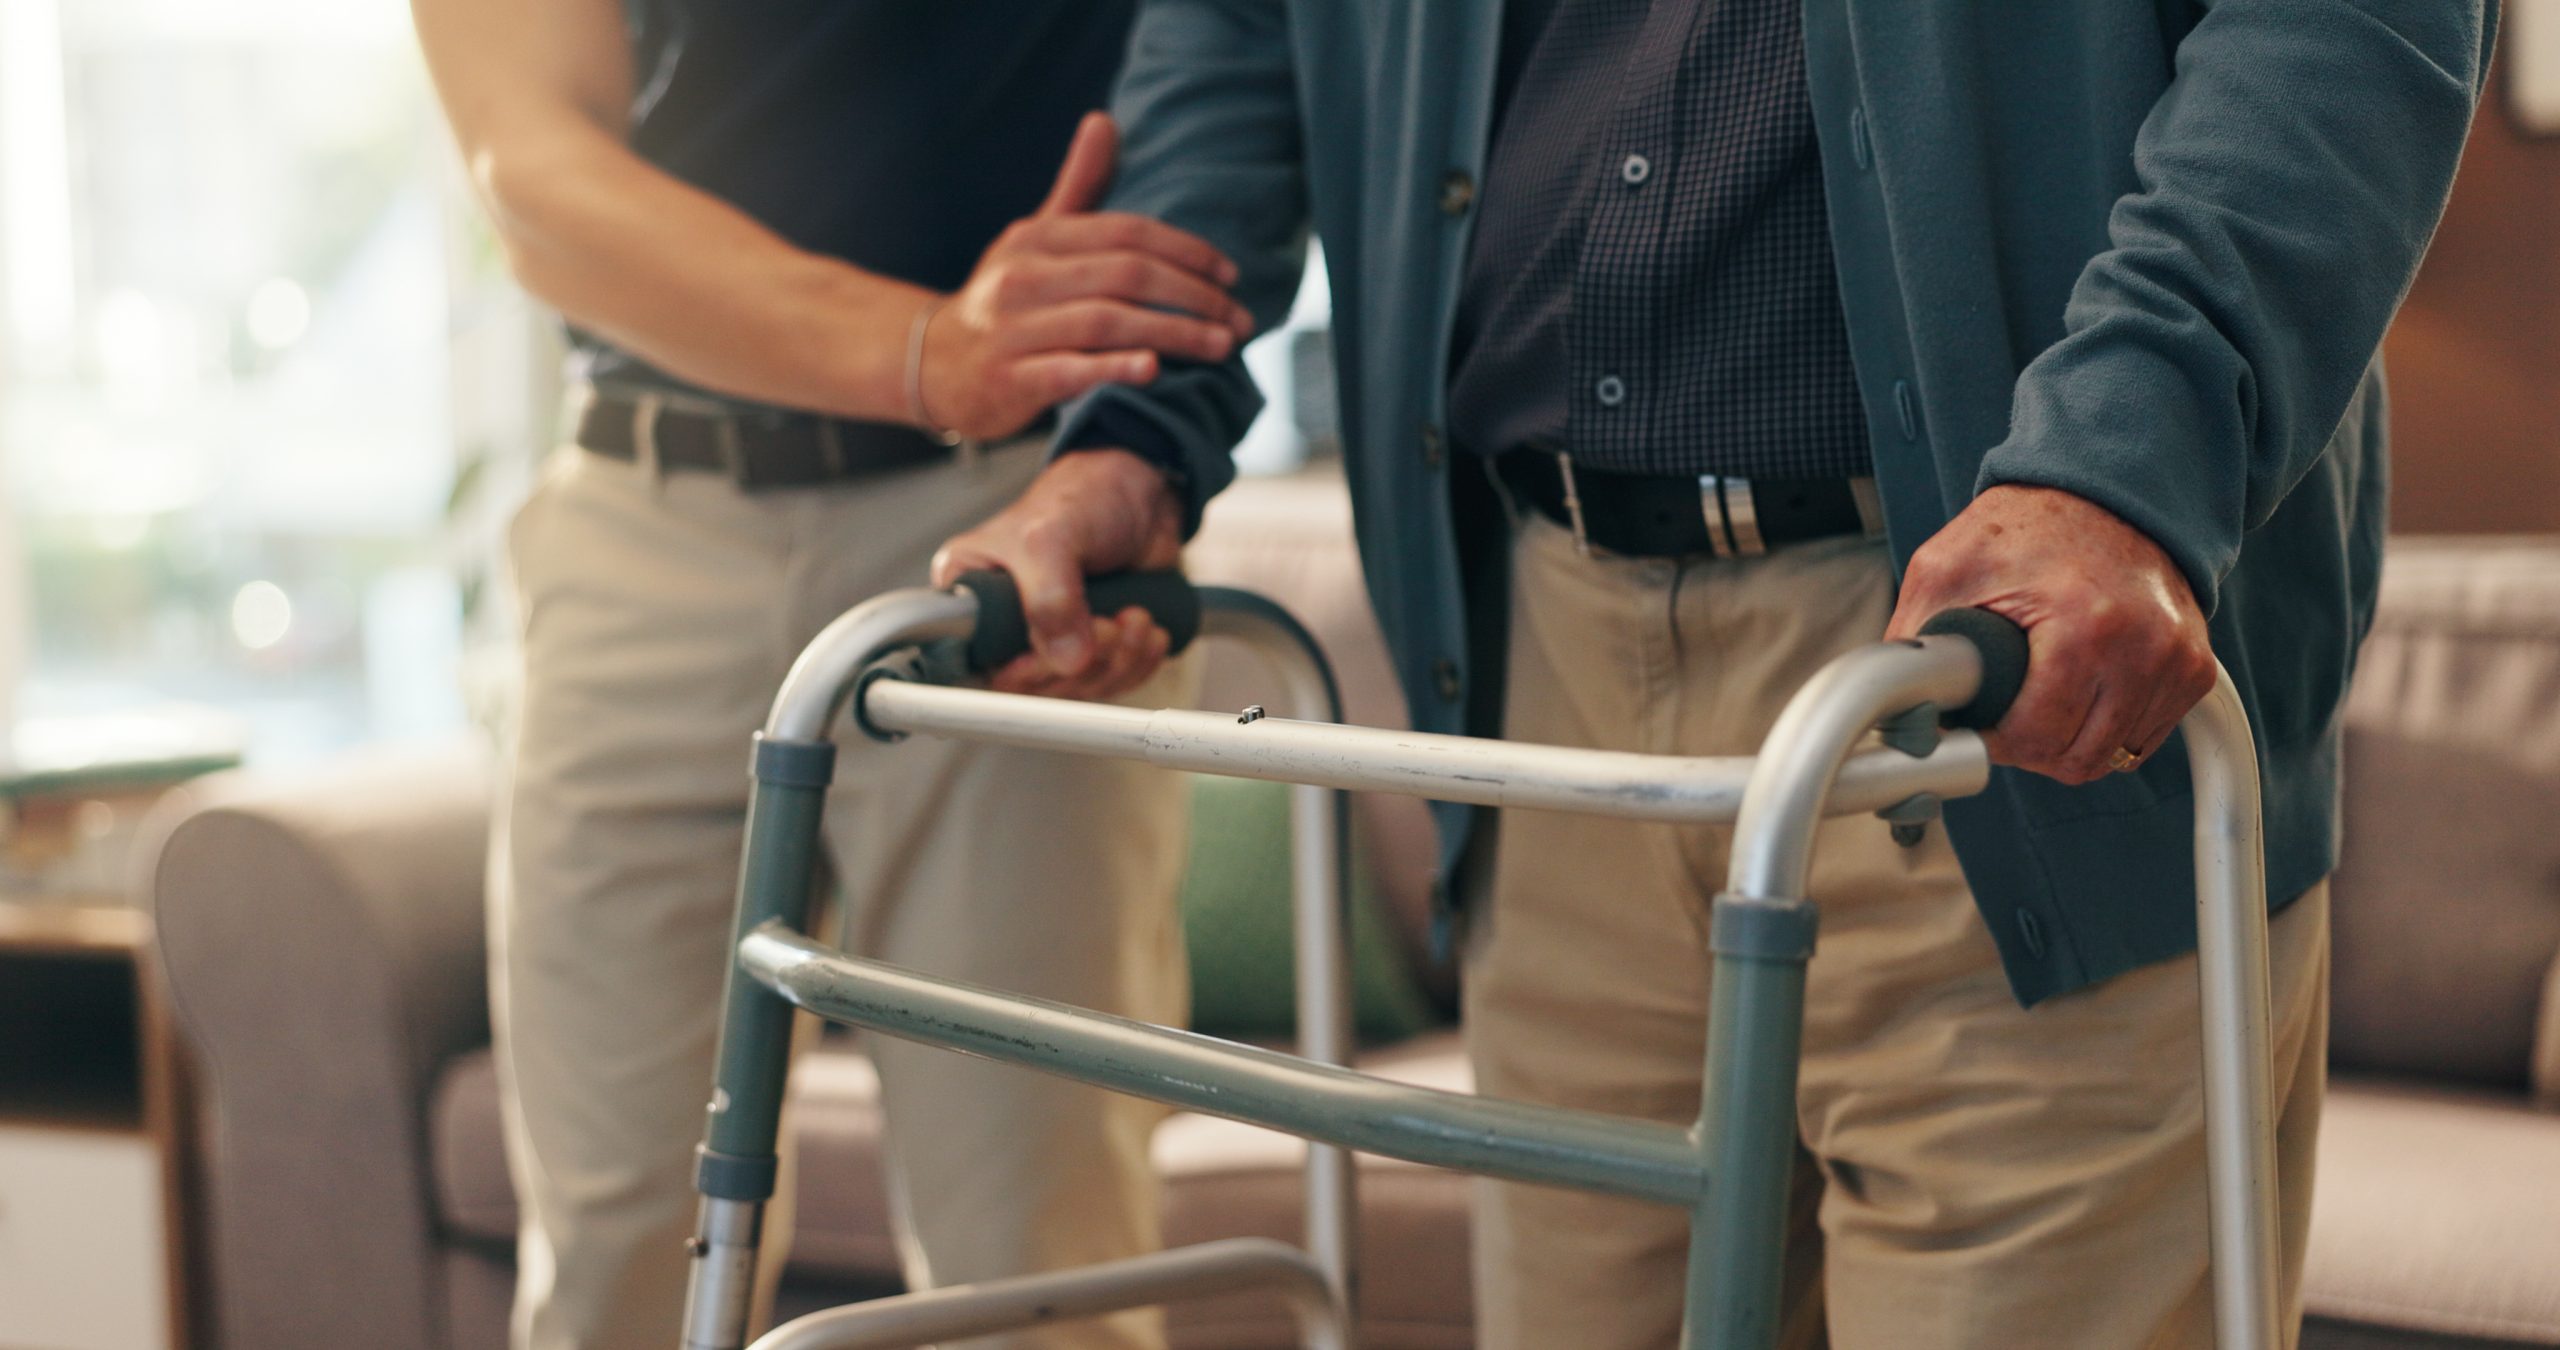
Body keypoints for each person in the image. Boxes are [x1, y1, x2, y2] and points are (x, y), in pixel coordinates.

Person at [936, 1, 2494, 1345]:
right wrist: (1135, 439)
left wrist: (2128, 456)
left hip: (2004, 674)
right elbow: (1243, 33)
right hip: (1541, 692)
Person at [413, 2, 1257, 1345]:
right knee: (618, 1251)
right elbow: (528, 166)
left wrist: (1127, 455)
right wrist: (925, 351)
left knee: (1037, 1262)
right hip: (651, 523)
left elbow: (1244, 73)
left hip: (1003, 525)